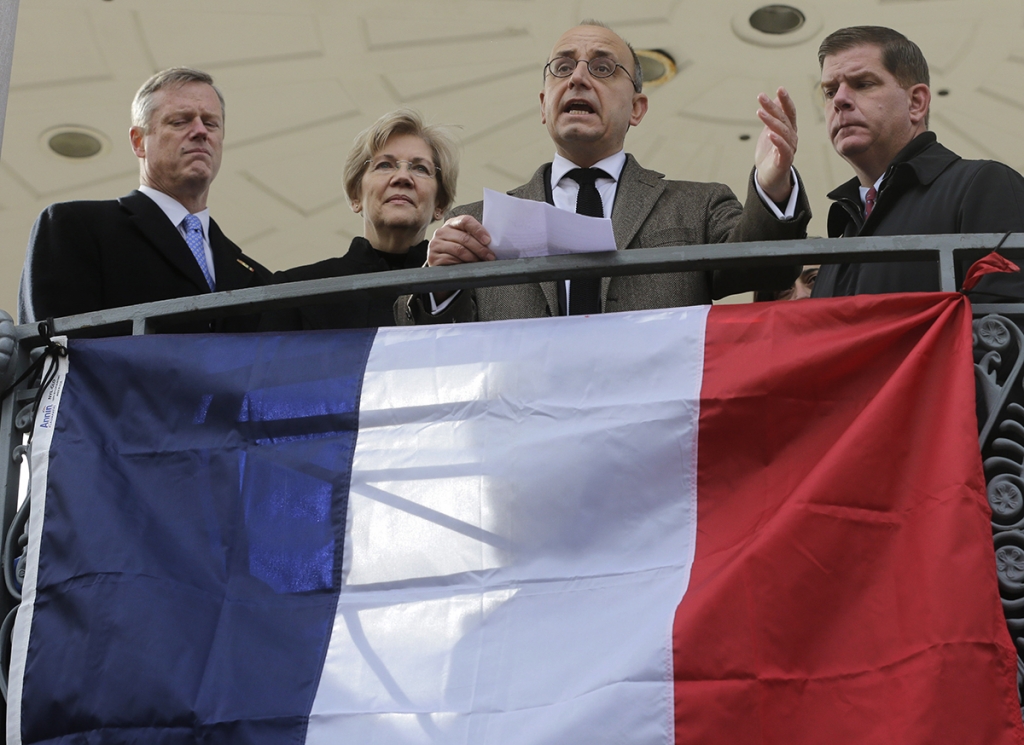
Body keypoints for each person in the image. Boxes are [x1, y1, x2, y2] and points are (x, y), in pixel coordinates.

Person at [399, 20, 811, 324]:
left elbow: (768, 269)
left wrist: (773, 186)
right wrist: (440, 284)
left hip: (652, 429)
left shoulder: (696, 205)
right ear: (544, 105)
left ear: (636, 108)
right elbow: (419, 339)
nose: (578, 77)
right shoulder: (476, 224)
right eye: (562, 67)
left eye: (602, 68)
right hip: (522, 429)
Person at [18, 68, 271, 331]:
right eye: (180, 121)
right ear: (139, 142)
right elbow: (55, 357)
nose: (200, 131)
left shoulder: (253, 274)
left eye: (210, 123)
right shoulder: (75, 227)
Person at [812, 26, 1024, 300]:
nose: (839, 100)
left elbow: (1007, 329)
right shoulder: (843, 232)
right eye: (830, 92)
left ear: (916, 102)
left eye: (863, 84)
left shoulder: (984, 184)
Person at [263, 110, 458, 330]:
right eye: (384, 165)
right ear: (356, 196)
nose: (403, 177)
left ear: (439, 204)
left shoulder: (465, 290)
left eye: (421, 168)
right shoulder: (294, 290)